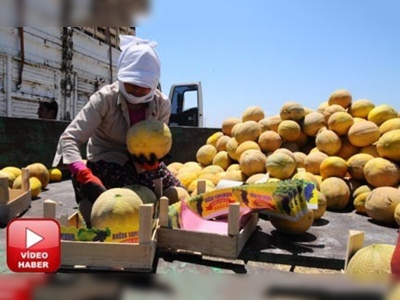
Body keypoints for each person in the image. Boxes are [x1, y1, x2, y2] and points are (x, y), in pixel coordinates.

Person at [52, 36, 183, 206]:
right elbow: (69, 139)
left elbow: (160, 142)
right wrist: (83, 174)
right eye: (131, 83)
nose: (137, 89)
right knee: (117, 203)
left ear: (154, 84)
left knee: (179, 195)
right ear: (121, 77)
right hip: (107, 162)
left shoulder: (162, 104)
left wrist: (155, 161)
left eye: (144, 85)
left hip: (141, 166)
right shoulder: (104, 99)